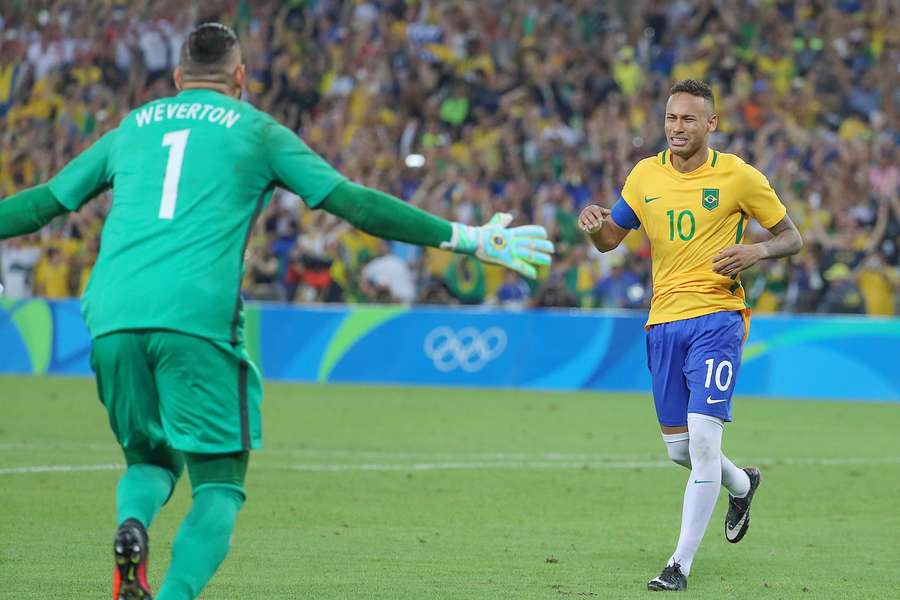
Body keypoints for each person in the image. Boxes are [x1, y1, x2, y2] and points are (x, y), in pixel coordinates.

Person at [0, 23, 553, 600]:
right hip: (194, 315)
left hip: (109, 312)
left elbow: (43, 204)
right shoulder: (256, 130)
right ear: (240, 77)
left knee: (149, 458)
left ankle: (133, 524)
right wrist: (466, 238)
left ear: (176, 78)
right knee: (218, 484)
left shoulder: (129, 129)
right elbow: (353, 202)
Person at [578, 79, 802, 591]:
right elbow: (611, 240)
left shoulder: (738, 176)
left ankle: (678, 564)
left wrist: (756, 251)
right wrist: (594, 227)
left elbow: (793, 236)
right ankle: (742, 485)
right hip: (664, 322)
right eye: (671, 118)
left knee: (703, 440)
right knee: (680, 451)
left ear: (711, 124)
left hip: (719, 317)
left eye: (689, 119)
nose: (678, 128)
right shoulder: (644, 176)